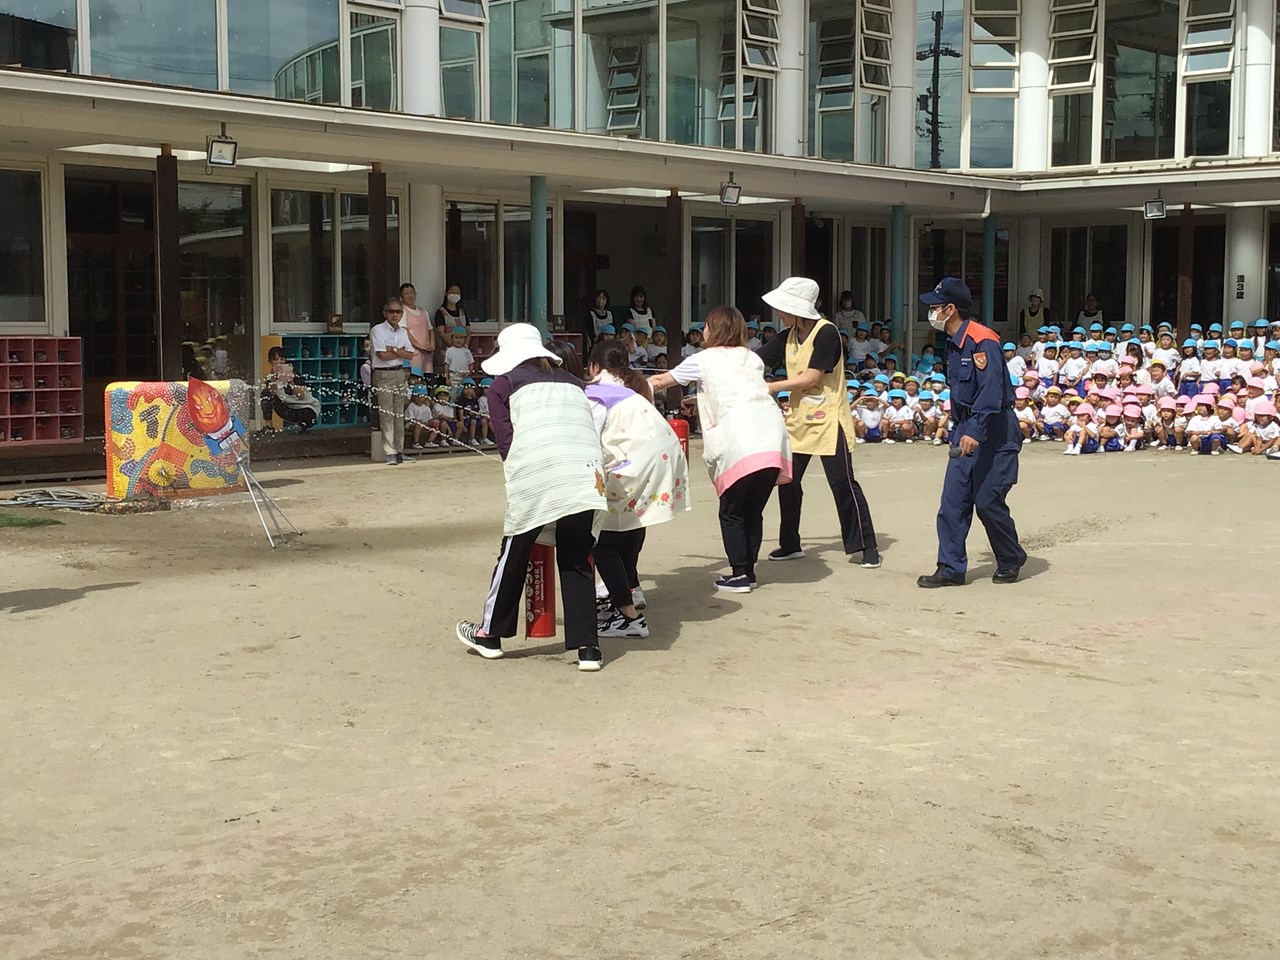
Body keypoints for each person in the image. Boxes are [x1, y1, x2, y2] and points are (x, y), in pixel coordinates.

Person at [455, 323, 609, 672]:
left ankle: (490, 634)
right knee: (577, 557)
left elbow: (506, 442)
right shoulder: (574, 383)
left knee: (514, 551)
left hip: (538, 471)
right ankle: (588, 649)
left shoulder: (503, 385)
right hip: (585, 474)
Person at [649, 306, 792, 592]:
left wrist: (619, 388)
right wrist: (699, 399)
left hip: (739, 440)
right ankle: (748, 571)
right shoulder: (752, 358)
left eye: (706, 325)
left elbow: (660, 381)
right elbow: (737, 390)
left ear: (714, 330)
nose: (703, 330)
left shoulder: (704, 359)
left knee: (732, 511)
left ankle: (739, 574)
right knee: (753, 511)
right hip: (771, 438)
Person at [755, 277, 881, 568]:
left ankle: (867, 545)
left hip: (829, 420)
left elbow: (812, 377)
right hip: (798, 420)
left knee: (843, 483)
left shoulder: (827, 333)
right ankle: (790, 543)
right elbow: (755, 360)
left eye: (783, 308)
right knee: (788, 481)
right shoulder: (788, 336)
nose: (779, 314)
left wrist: (772, 387)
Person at [916, 278, 1027, 587]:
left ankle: (1010, 556)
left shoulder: (982, 340)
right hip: (965, 427)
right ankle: (950, 568)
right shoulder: (953, 343)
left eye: (935, 307)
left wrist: (975, 431)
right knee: (953, 502)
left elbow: (991, 392)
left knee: (988, 501)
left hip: (995, 430)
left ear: (951, 309)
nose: (931, 312)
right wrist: (960, 428)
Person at [585, 340, 689, 630]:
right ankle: (628, 591)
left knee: (602, 542)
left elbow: (590, 435)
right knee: (630, 527)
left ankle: (628, 615)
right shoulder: (633, 388)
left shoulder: (596, 394)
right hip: (658, 461)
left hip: (632, 465)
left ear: (594, 366)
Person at [369, 297, 415, 466]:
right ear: (385, 313)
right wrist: (399, 351)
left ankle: (400, 451)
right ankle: (390, 452)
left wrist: (393, 349)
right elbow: (382, 355)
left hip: (399, 372)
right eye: (391, 311)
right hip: (384, 373)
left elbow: (410, 354)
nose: (395, 315)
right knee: (387, 413)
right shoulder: (378, 330)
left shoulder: (403, 331)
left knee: (399, 414)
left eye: (398, 312)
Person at [261, 346, 320, 431]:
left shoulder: (294, 373)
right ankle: (268, 427)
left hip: (306, 407)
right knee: (265, 393)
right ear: (270, 362)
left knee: (307, 415)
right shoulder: (270, 377)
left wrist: (291, 382)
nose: (279, 362)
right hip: (288, 409)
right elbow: (271, 394)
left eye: (282, 359)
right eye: (276, 360)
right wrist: (273, 379)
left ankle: (305, 429)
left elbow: (301, 396)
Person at [400, 282, 434, 373]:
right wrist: (419, 346)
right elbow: (405, 331)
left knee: (427, 376)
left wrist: (432, 345)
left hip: (427, 352)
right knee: (415, 375)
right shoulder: (403, 311)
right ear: (402, 297)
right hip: (413, 352)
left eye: (412, 292)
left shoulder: (423, 311)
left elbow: (430, 330)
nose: (410, 295)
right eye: (406, 293)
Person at [434, 284, 468, 367]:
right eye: (452, 291)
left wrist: (465, 345)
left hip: (462, 350)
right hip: (446, 351)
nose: (455, 294)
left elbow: (468, 330)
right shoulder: (441, 312)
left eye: (457, 292)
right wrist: (454, 346)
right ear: (446, 294)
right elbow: (441, 332)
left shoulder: (462, 312)